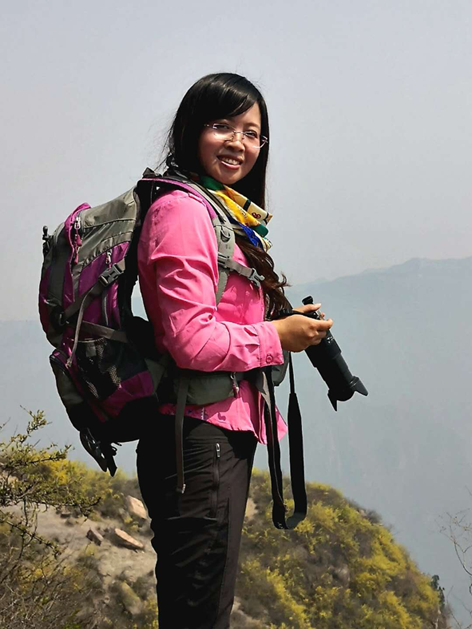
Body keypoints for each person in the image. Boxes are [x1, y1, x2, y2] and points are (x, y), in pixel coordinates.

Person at [136, 72, 333, 629]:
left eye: (251, 133)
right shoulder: (183, 213)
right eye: (222, 126)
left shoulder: (220, 211)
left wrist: (279, 324)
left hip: (211, 434)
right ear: (191, 130)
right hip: (198, 441)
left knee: (198, 606)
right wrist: (277, 338)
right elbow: (190, 339)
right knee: (200, 613)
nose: (238, 143)